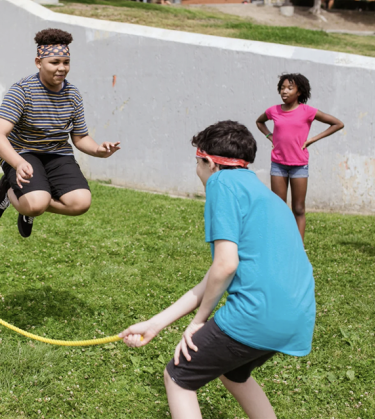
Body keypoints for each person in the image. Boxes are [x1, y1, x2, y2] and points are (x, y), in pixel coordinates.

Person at [119, 121, 316, 419]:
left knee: (178, 378)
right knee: (234, 373)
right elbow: (214, 277)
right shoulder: (267, 197)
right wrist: (155, 324)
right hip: (297, 315)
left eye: (197, 163)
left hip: (255, 315)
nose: (197, 171)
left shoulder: (221, 184)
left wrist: (199, 322)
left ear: (209, 162)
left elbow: (225, 265)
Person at [0, 28, 121, 238]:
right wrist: (17, 163)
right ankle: (12, 191)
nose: (62, 68)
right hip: (22, 152)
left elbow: (79, 137)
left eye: (66, 62)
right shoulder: (22, 90)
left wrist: (98, 150)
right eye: (54, 62)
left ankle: (31, 199)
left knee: (80, 203)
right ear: (38, 62)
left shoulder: (73, 94)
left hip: (57, 154)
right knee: (35, 204)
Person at [256, 73, 343, 241]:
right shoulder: (273, 110)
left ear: (299, 92)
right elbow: (259, 122)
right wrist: (270, 136)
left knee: (298, 209)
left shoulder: (307, 111)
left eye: (290, 88)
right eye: (282, 88)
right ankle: (279, 243)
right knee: (278, 208)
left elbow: (338, 124)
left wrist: (312, 139)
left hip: (299, 166)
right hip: (278, 165)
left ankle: (298, 248)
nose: (285, 91)